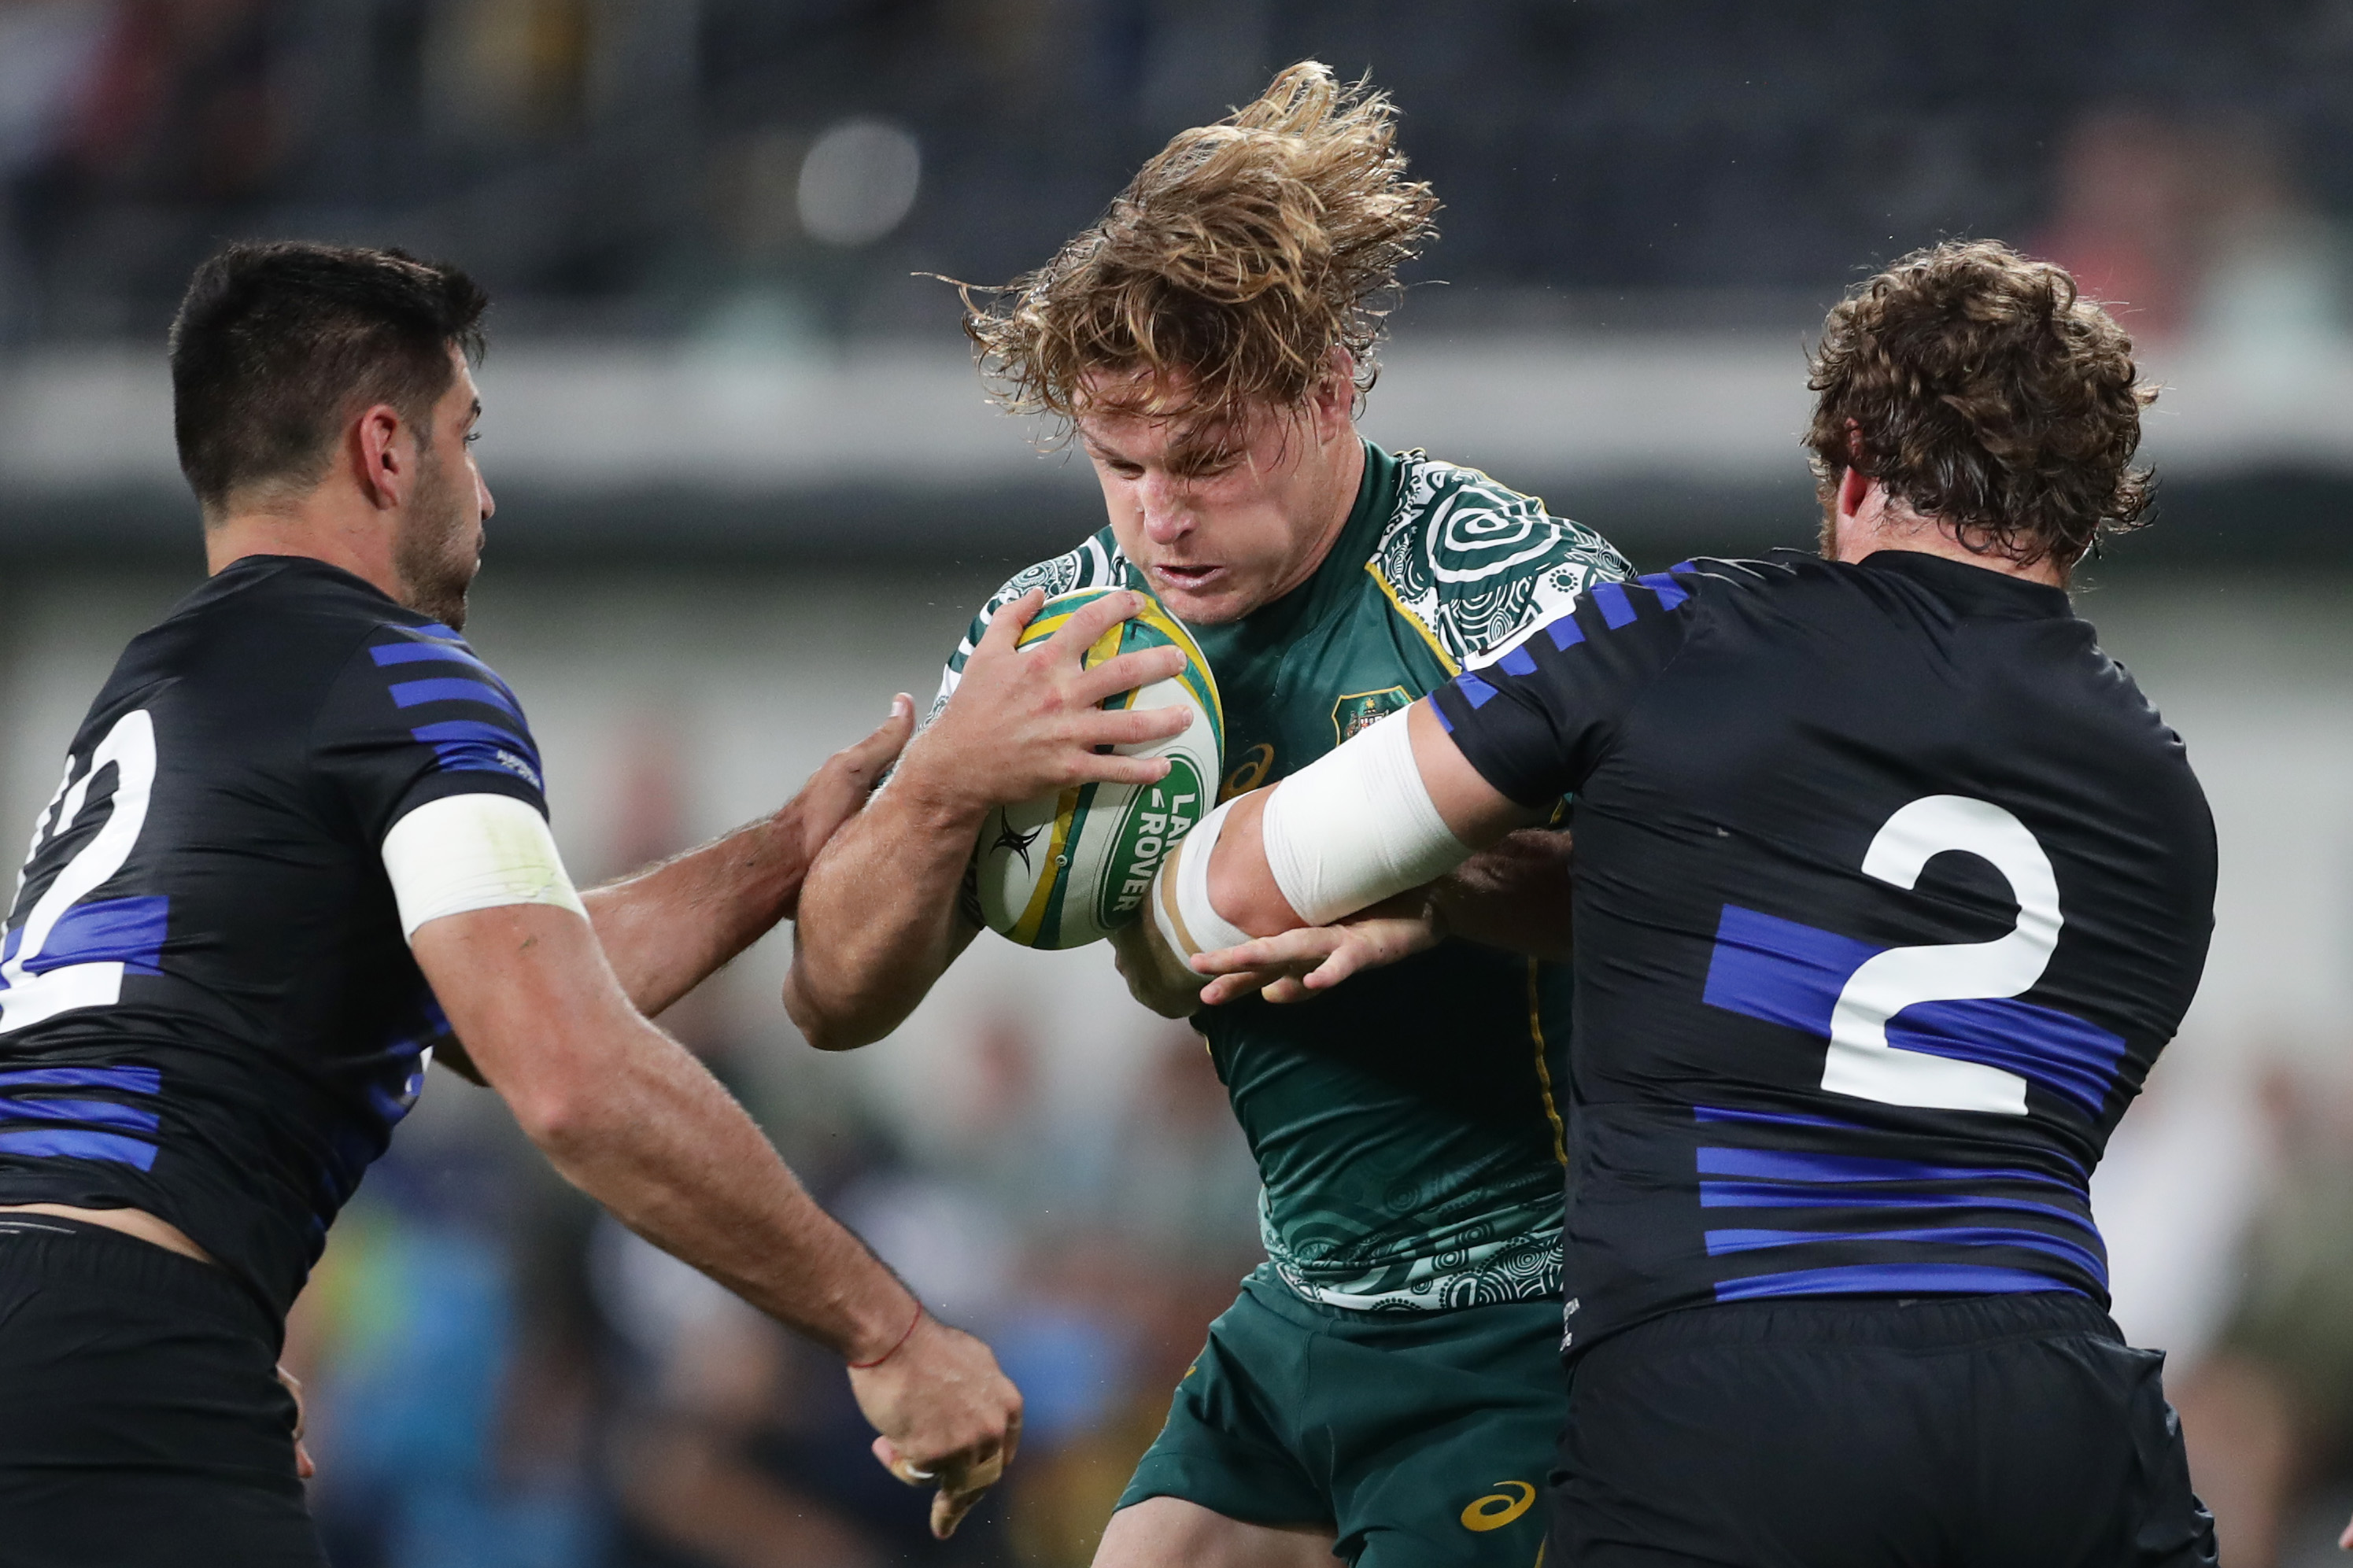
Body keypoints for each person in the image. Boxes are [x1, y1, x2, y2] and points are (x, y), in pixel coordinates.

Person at [1155, 238, 2222, 1566]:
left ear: (1845, 456)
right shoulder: (2163, 802)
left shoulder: (1680, 636)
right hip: (2057, 1417)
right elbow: (1839, 960)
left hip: (1729, 1409)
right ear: (2088, 503)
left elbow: (1252, 879)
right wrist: (1467, 901)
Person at [0, 241, 1020, 1566]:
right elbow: (569, 1072)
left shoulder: (159, 687)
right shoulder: (402, 677)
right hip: (123, 1359)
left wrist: (780, 855)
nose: (483, 495)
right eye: (464, 438)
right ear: (384, 451)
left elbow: (487, 1010)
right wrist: (890, 1333)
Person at [788, 62, 1632, 1568]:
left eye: (1204, 458)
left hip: (1546, 1309)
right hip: (1311, 1297)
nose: (1158, 517)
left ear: (1325, 395)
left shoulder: (1508, 593)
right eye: (1118, 465)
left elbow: (1699, 900)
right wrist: (943, 786)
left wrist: (1438, 880)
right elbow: (833, 995)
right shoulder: (1062, 637)